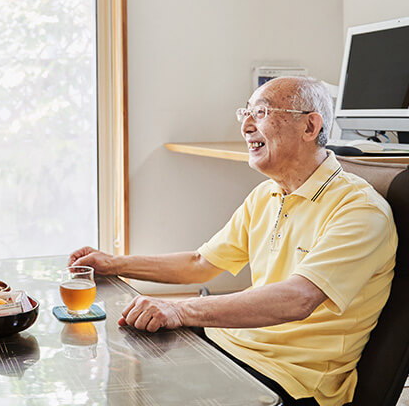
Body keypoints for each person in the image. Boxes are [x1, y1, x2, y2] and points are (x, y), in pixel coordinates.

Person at [69, 76, 396, 406]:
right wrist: (113, 263)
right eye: (246, 113)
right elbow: (200, 264)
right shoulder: (267, 194)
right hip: (230, 346)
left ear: (309, 127)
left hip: (290, 379)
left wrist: (179, 310)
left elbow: (298, 298)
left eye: (262, 112)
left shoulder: (360, 210)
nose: (246, 126)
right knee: (116, 362)